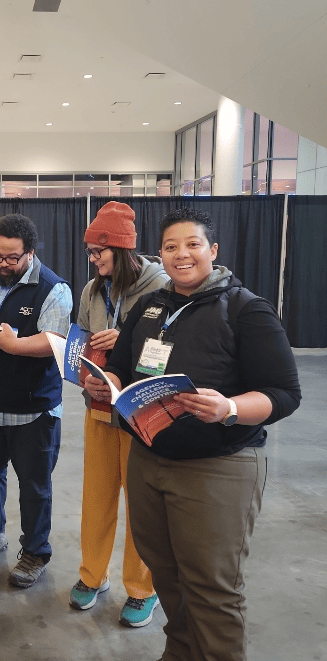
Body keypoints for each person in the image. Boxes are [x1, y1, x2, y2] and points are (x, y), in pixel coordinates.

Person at [84, 207, 301, 661]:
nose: (181, 255)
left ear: (212, 250)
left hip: (218, 468)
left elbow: (284, 393)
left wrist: (229, 408)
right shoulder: (152, 306)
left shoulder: (246, 310)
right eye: (170, 247)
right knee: (167, 576)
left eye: (192, 244)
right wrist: (106, 384)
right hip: (148, 459)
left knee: (212, 589)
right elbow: (121, 368)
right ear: (158, 254)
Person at [0, 213, 72, 588]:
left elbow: (55, 341)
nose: (2, 265)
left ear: (30, 254)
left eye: (11, 258)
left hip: (32, 410)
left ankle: (35, 551)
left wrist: (15, 344)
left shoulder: (54, 288)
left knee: (35, 486)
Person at [70, 201, 168, 627]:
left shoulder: (160, 288)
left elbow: (166, 355)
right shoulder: (92, 291)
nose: (93, 260)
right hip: (99, 409)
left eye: (99, 252)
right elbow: (79, 345)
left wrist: (126, 338)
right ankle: (92, 575)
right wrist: (83, 375)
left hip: (141, 411)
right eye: (90, 253)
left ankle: (142, 588)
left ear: (123, 249)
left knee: (141, 502)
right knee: (97, 495)